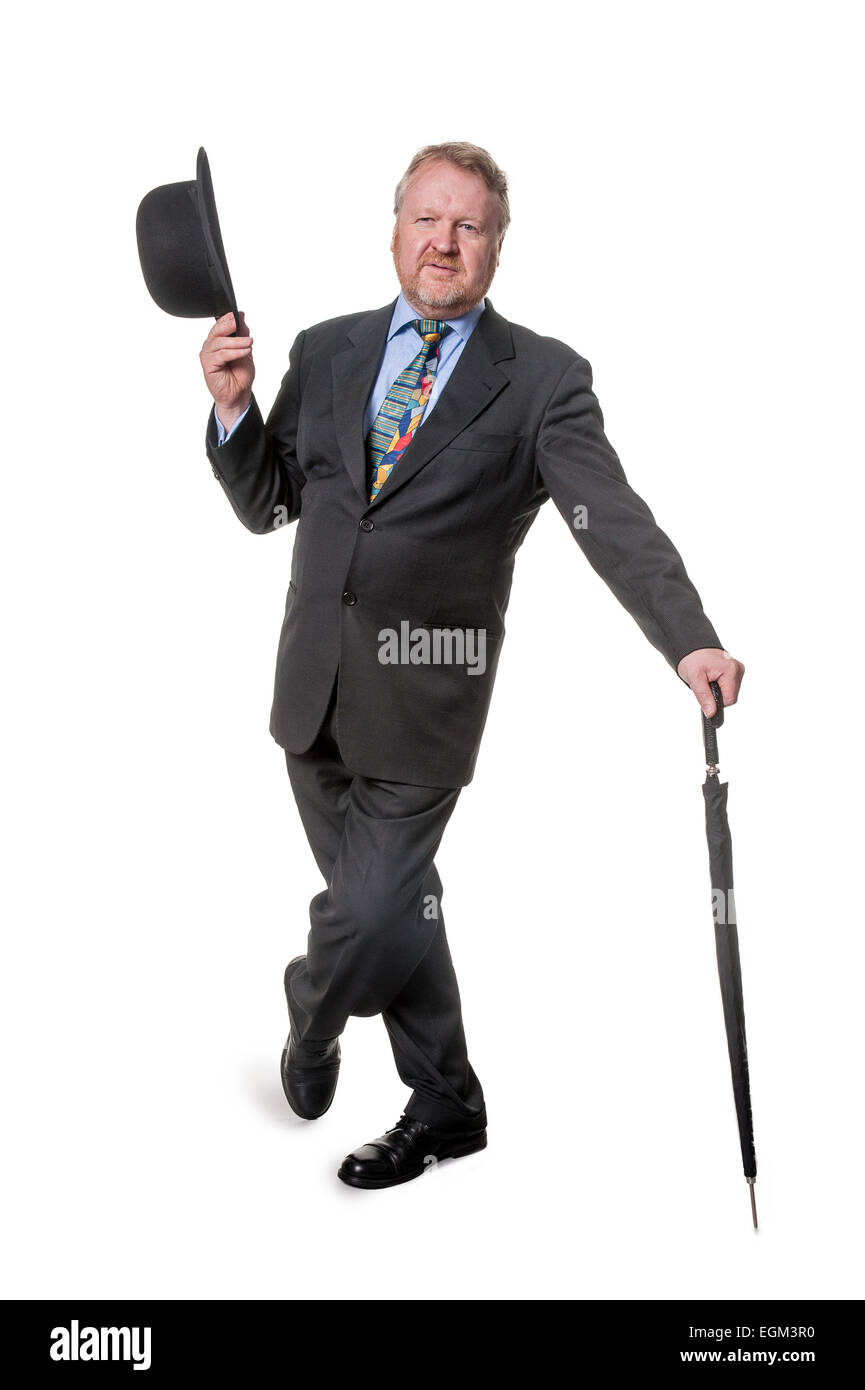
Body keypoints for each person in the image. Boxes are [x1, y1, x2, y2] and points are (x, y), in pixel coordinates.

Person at [199, 141, 744, 1190]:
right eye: (425, 219)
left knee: (362, 915)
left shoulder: (540, 379)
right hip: (310, 695)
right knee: (399, 909)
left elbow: (608, 517)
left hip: (424, 701)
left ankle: (308, 1025)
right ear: (394, 228)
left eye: (469, 225)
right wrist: (233, 410)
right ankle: (448, 1102)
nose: (443, 241)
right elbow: (273, 504)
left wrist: (688, 634)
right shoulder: (326, 349)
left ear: (497, 245)